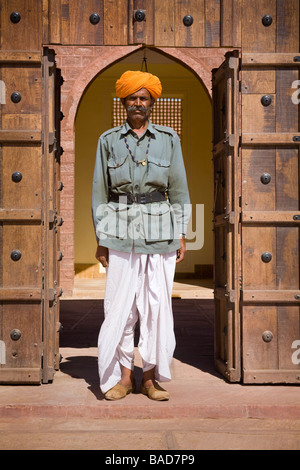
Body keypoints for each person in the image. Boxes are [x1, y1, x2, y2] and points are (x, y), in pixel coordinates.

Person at [92, 70, 190, 401]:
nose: (138, 102)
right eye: (132, 97)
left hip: (161, 229)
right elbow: (99, 193)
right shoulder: (107, 141)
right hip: (119, 229)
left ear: (151, 103)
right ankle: (123, 377)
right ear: (124, 102)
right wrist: (101, 237)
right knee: (120, 308)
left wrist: (182, 232)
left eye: (143, 97)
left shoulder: (169, 139)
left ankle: (149, 378)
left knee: (156, 306)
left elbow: (178, 187)